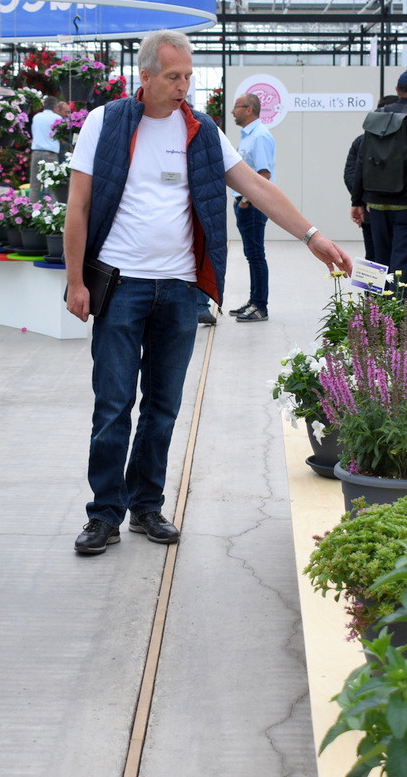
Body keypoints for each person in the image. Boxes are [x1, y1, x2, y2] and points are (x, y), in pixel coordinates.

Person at [63, 29, 352, 555]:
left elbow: (256, 186)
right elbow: (78, 207)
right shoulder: (105, 123)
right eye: (174, 76)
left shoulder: (200, 131)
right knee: (112, 406)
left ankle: (146, 505)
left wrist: (312, 236)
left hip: (179, 291)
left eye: (189, 76)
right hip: (121, 286)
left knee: (163, 407)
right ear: (145, 76)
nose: (184, 86)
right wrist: (76, 281)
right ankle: (103, 514)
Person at [350, 68, 407, 303]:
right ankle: (399, 319)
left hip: (376, 204)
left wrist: (357, 200)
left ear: (397, 89)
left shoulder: (376, 117)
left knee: (379, 263)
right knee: (402, 265)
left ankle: (377, 316)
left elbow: (362, 161)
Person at [225, 93, 277, 323]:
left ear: (249, 110)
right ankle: (254, 300)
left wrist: (246, 200)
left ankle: (260, 306)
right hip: (245, 204)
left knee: (256, 256)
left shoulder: (260, 136)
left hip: (253, 206)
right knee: (251, 255)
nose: (232, 111)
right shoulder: (249, 136)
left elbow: (264, 174)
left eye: (236, 107)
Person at [344, 95, 398, 264]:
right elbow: (351, 175)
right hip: (372, 211)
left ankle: (388, 282)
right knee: (374, 258)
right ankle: (377, 283)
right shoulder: (362, 141)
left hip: (393, 211)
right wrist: (363, 199)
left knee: (392, 258)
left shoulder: (404, 142)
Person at [29, 95, 63, 201]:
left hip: (36, 152)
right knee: (52, 185)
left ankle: (32, 208)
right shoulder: (58, 118)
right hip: (51, 154)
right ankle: (53, 209)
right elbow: (61, 136)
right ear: (55, 107)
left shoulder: (36, 117)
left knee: (34, 185)